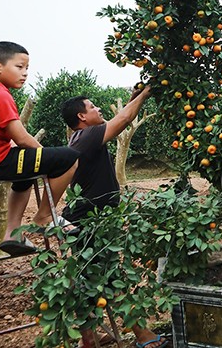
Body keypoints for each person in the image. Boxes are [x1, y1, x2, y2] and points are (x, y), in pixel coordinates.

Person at [60, 86, 169, 348]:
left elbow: (119, 119)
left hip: (88, 221)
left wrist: (134, 98)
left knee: (91, 277)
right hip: (88, 224)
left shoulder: (83, 137)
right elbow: (123, 120)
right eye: (92, 106)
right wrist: (147, 93)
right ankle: (142, 336)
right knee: (109, 278)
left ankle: (88, 339)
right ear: (82, 117)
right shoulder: (86, 137)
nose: (98, 108)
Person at [0, 41, 80, 257]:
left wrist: (39, 158)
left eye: (27, 68)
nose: (25, 73)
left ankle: (12, 234)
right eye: (19, 67)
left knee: (27, 169)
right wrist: (47, 156)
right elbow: (21, 138)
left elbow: (5, 139)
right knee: (70, 157)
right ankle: (44, 218)